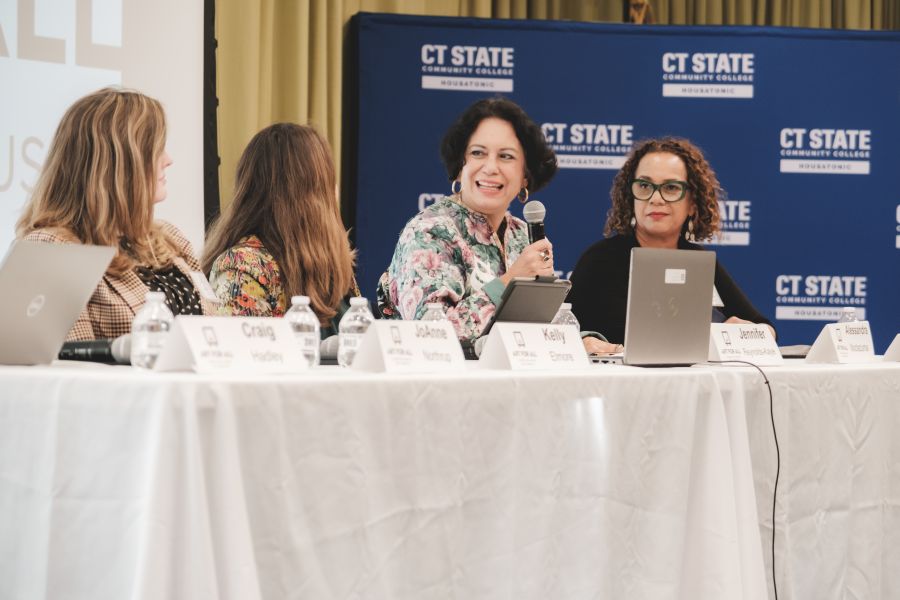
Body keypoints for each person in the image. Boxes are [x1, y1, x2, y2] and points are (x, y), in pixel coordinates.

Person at [17, 88, 207, 341]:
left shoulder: (171, 239)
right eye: (156, 149)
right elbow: (70, 367)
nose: (168, 160)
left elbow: (216, 332)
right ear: (120, 164)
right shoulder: (55, 250)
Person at [376, 97, 558, 343]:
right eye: (477, 153)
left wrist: (579, 339)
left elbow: (538, 327)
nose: (490, 167)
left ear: (526, 175)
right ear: (460, 166)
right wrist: (509, 281)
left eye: (506, 156)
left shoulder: (522, 234)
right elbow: (431, 335)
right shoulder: (428, 232)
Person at [568, 137, 775, 351]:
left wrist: (746, 332)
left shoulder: (699, 261)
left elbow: (767, 330)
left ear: (692, 204)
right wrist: (583, 342)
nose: (656, 198)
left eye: (671, 188)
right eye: (645, 185)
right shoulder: (600, 260)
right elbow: (560, 333)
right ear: (632, 197)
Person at [203, 123, 357, 335]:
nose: (336, 190)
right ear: (309, 195)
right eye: (328, 180)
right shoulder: (241, 267)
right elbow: (240, 360)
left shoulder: (334, 265)